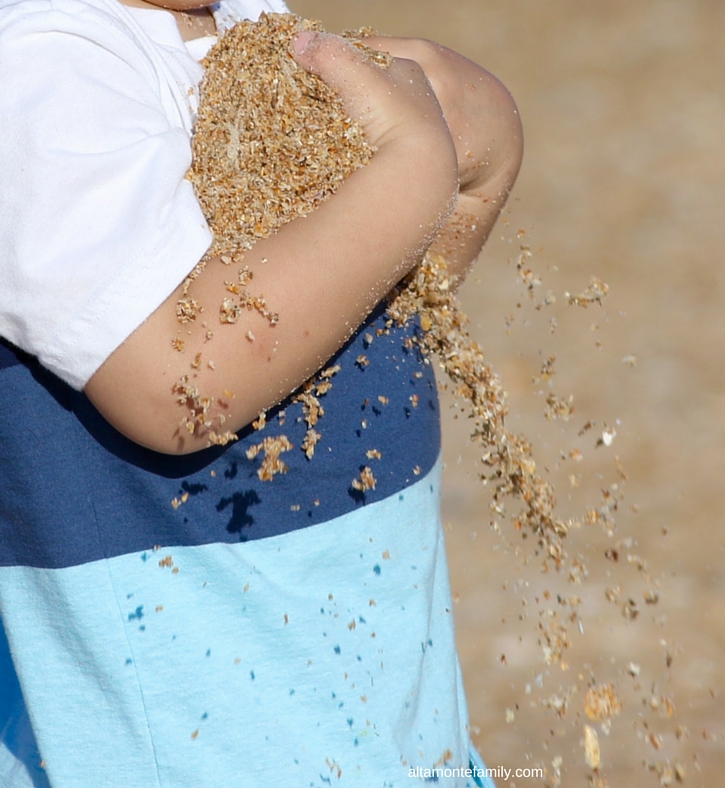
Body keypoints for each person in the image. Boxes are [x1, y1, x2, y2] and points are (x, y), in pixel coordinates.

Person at [0, 0, 523, 785]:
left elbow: (353, 328)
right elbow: (186, 378)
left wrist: (481, 158)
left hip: (391, 735)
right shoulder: (41, 67)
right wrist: (418, 167)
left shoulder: (243, 16)